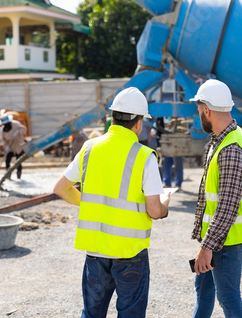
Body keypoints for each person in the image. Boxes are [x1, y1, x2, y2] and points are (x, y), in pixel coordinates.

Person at [53, 87, 171, 318]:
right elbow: (155, 211)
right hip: (130, 253)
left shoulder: (89, 149)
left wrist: (90, 204)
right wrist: (165, 202)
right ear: (138, 123)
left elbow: (61, 189)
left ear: (112, 117)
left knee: (92, 313)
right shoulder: (144, 156)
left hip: (96, 250)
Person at [189, 79, 242, 318]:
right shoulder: (222, 140)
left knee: (228, 298)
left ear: (207, 110)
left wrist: (207, 247)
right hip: (216, 238)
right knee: (204, 292)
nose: (199, 116)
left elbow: (228, 206)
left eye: (199, 111)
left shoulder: (230, 149)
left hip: (224, 243)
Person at [0, 114, 26, 179]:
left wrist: (18, 132)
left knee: (18, 161)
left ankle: (19, 174)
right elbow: (2, 139)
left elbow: (24, 130)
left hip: (18, 145)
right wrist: (6, 146)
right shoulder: (3, 129)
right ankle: (8, 174)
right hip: (10, 146)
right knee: (7, 160)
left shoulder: (16, 124)